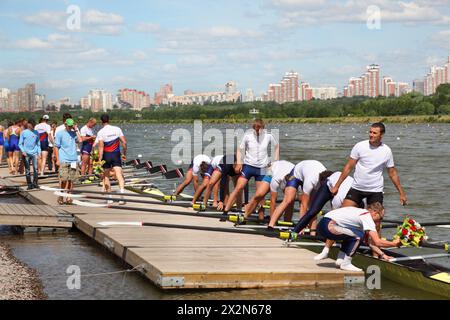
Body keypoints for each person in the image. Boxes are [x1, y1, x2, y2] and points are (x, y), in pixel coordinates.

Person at [331, 122, 407, 208]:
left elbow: (392, 173)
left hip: (375, 190)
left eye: (374, 133)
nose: (371, 135)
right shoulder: (360, 146)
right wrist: (336, 186)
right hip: (357, 188)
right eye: (370, 132)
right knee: (344, 214)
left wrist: (401, 193)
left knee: (376, 218)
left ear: (381, 135)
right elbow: (348, 167)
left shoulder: (386, 151)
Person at [316, 202, 401, 271]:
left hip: (321, 225)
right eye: (381, 218)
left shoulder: (359, 212)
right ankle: (346, 263)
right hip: (329, 226)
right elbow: (377, 241)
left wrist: (383, 255)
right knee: (358, 236)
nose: (379, 221)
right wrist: (394, 244)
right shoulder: (366, 217)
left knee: (353, 235)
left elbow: (370, 243)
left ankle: (340, 260)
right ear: (375, 213)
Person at [222, 119, 279, 216]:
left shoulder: (269, 136)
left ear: (263, 128)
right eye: (255, 129)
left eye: (259, 129)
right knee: (238, 187)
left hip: (262, 167)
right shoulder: (247, 136)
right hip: (248, 166)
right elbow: (239, 150)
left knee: (261, 194)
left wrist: (275, 162)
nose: (257, 132)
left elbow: (277, 147)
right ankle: (225, 211)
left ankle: (261, 217)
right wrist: (239, 163)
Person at [268, 160, 327, 229]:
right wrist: (300, 227)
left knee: (312, 207)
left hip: (308, 172)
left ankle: (312, 232)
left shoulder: (328, 180)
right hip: (295, 175)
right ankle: (271, 225)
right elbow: (303, 205)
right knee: (288, 200)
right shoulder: (311, 181)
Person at [96, 114, 127, 204]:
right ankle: (122, 196)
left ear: (101, 121)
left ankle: (109, 198)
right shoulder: (117, 129)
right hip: (116, 155)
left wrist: (99, 160)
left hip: (106, 156)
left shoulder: (100, 132)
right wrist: (124, 154)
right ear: (109, 120)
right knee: (119, 175)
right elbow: (124, 143)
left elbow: (101, 148)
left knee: (106, 176)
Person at [54, 118, 81, 205]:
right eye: (69, 126)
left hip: (73, 159)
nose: (70, 127)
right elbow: (56, 147)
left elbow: (80, 140)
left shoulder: (74, 133)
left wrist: (76, 129)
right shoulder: (59, 134)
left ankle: (69, 196)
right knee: (64, 179)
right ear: (65, 125)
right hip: (64, 159)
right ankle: (61, 195)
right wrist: (57, 159)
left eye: (71, 126)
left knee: (71, 180)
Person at [18, 119, 41, 190]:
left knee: (36, 169)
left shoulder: (36, 132)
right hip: (26, 154)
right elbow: (20, 144)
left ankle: (35, 183)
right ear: (28, 124)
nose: (33, 126)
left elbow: (38, 144)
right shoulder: (23, 132)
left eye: (34, 125)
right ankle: (29, 184)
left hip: (34, 153)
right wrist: (23, 151)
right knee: (27, 170)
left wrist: (39, 152)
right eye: (32, 125)